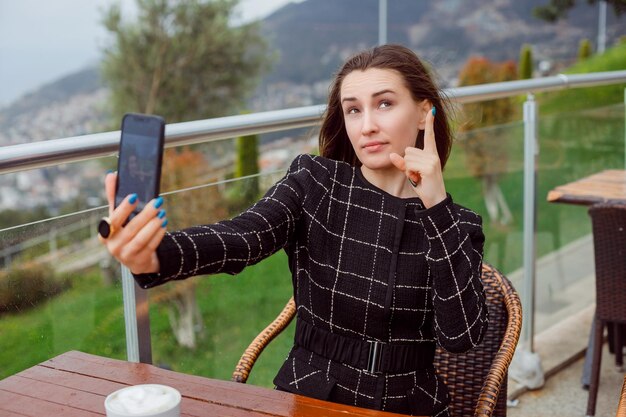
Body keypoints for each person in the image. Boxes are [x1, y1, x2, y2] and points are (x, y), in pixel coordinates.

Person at [99, 44, 488, 417]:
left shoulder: (459, 224)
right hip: (312, 393)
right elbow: (243, 237)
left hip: (409, 404)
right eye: (353, 110)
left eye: (384, 104)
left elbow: (461, 336)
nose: (367, 125)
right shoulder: (315, 181)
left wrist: (436, 207)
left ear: (424, 112)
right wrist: (157, 254)